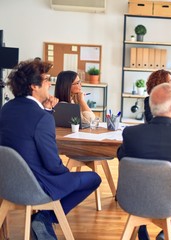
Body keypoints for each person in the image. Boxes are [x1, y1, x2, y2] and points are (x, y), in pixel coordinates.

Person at [0, 60, 101, 239]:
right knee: (93, 178)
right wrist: (65, 173)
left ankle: (44, 218)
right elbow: (53, 166)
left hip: (8, 184)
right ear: (33, 86)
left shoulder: (6, 109)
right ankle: (46, 216)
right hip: (37, 185)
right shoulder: (41, 117)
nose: (49, 83)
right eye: (46, 79)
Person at [117, 83, 171, 240]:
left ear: (151, 108)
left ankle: (141, 230)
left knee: (143, 180)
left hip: (135, 199)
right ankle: (166, 232)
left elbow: (120, 155)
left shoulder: (131, 134)